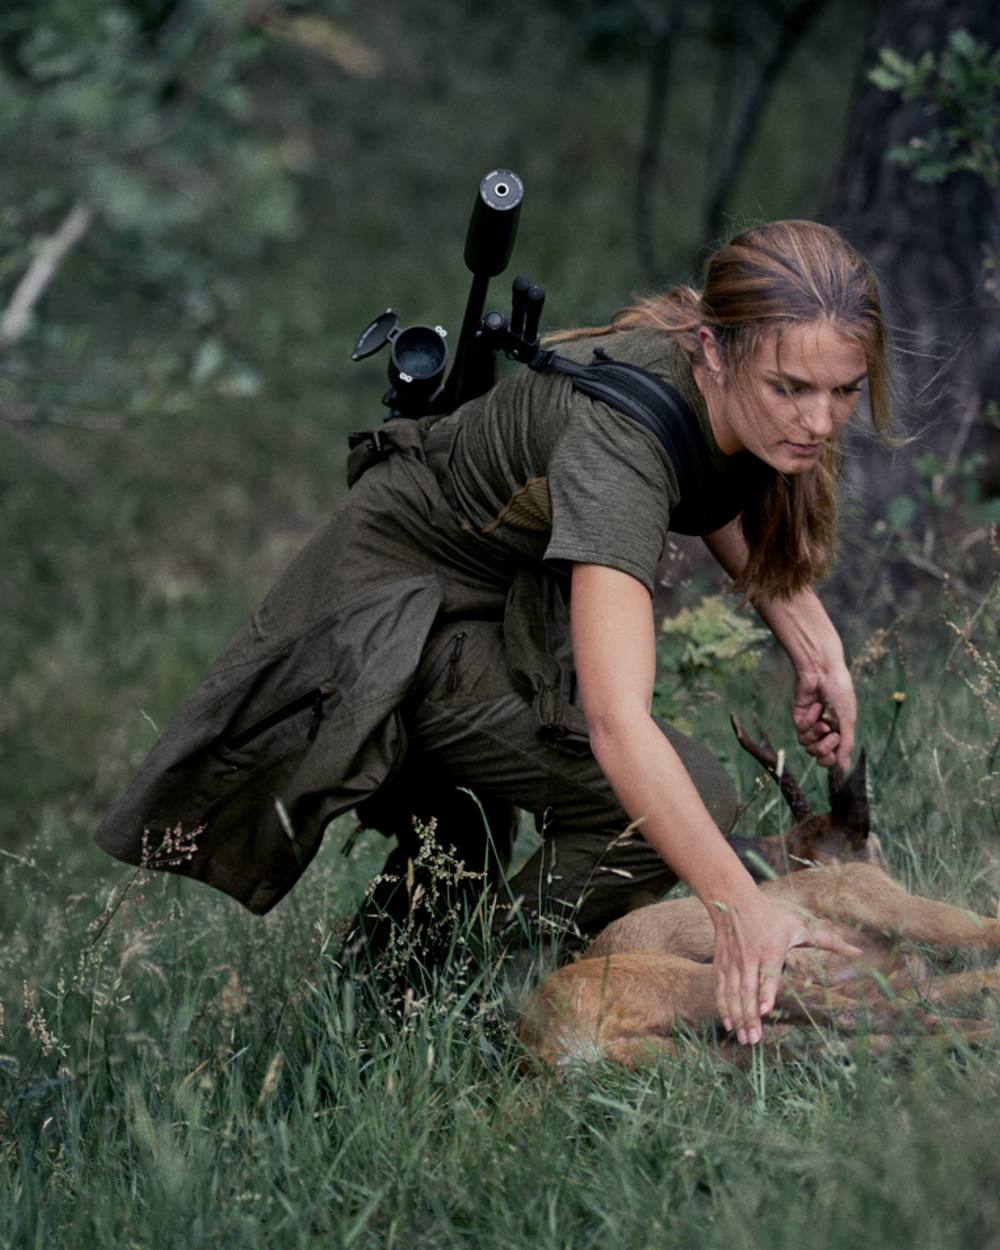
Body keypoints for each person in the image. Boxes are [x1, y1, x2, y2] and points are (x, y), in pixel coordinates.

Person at [96, 219, 891, 1047]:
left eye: (844, 391)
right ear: (714, 349)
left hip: (490, 606)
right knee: (685, 791)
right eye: (791, 389)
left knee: (469, 844)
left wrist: (814, 645)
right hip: (397, 627)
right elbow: (618, 724)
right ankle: (479, 997)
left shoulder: (707, 377)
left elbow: (705, 481)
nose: (820, 421)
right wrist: (742, 912)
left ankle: (401, 1001)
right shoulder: (619, 448)